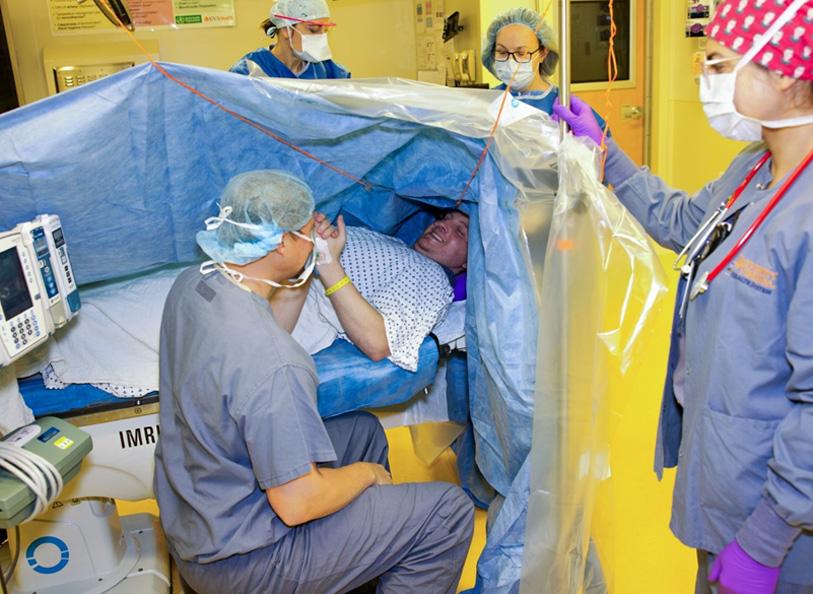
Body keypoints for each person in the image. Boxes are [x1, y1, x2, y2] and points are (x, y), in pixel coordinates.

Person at [555, 1, 813, 592]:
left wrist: (768, 541)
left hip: (782, 521)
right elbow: (683, 222)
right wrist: (608, 156)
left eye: (719, 63)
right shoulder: (754, 168)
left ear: (784, 74)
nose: (705, 79)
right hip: (728, 482)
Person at [154, 170, 474, 594]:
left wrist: (316, 266)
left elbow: (264, 336)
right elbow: (296, 502)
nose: (316, 237)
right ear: (282, 244)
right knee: (447, 512)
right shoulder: (279, 367)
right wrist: (366, 475)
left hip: (201, 514)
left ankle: (357, 566)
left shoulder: (194, 286)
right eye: (308, 232)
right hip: (246, 563)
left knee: (362, 430)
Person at [285, 210, 469, 371]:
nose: (442, 225)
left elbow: (378, 342)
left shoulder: (432, 278)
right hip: (286, 265)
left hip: (302, 300)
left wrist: (327, 263)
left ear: (468, 261)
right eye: (444, 218)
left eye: (460, 232)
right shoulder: (397, 246)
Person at [481, 7, 606, 130]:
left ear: (542, 54)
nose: (510, 61)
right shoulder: (487, 103)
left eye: (521, 53)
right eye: (501, 52)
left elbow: (600, 145)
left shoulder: (564, 105)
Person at [229, 0, 350, 80]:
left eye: (325, 31)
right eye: (313, 30)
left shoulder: (331, 73)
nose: (322, 37)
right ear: (286, 29)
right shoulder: (249, 72)